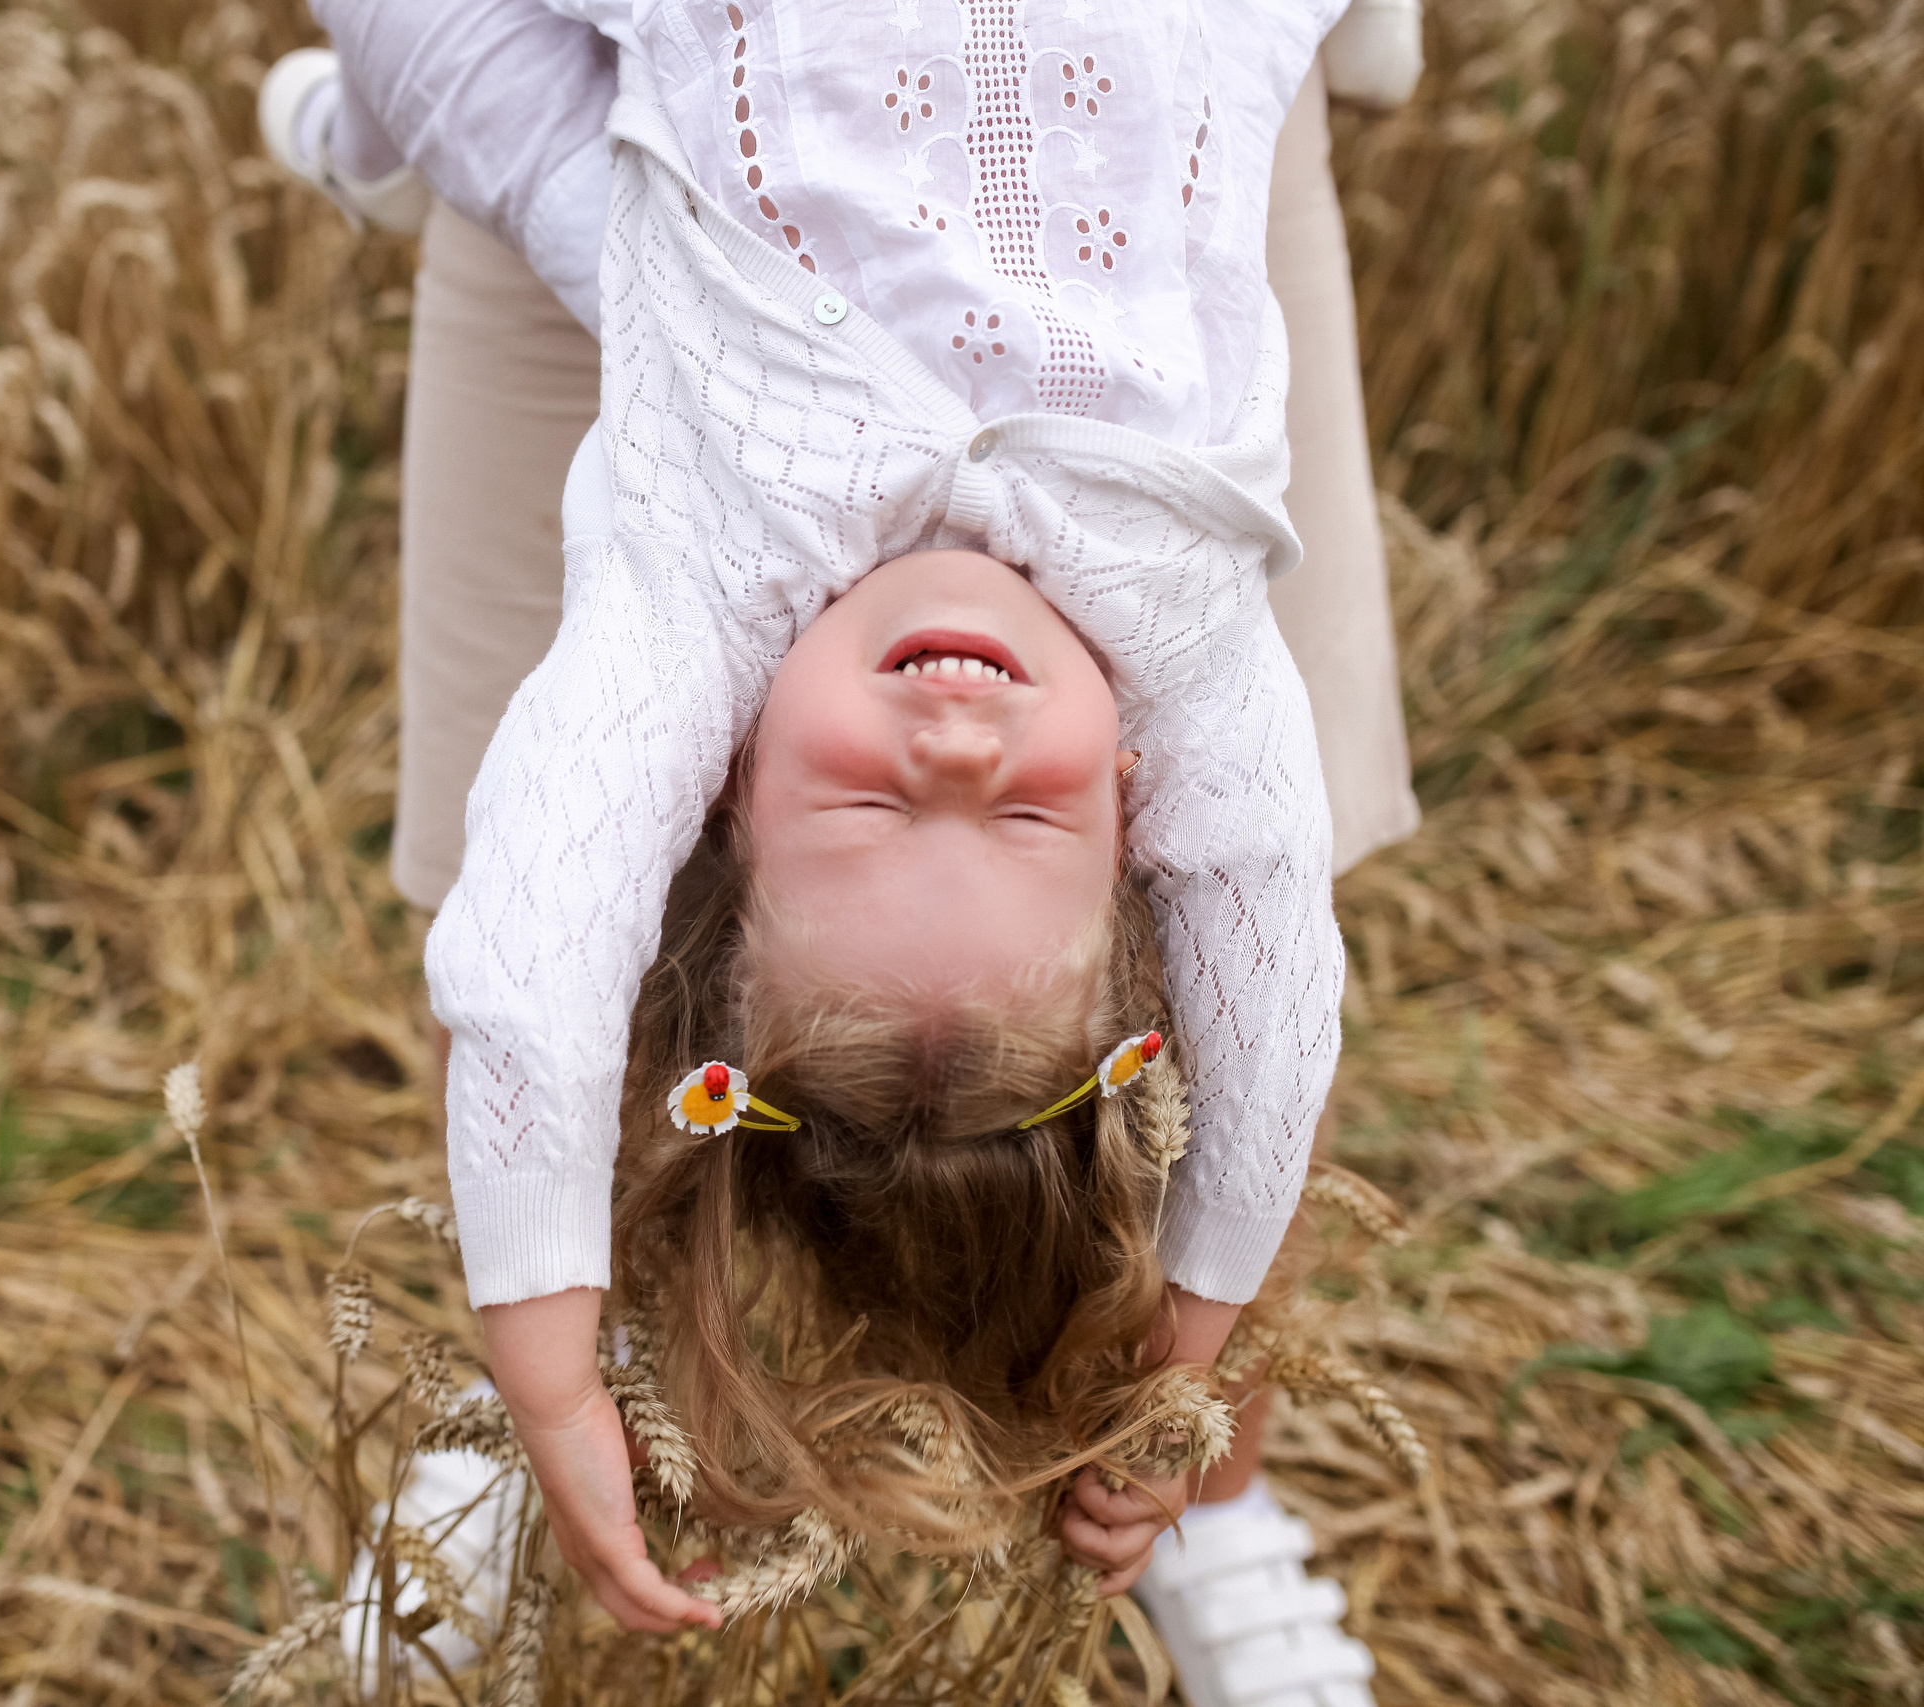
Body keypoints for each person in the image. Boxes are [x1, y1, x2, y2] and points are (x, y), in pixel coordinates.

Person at [265, 5, 1423, 1704]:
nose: (956, 750)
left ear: (722, 786)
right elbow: (1272, 994)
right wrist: (1185, 1349)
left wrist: (551, 1366)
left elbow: (530, 965)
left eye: (874, 811)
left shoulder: (692, 578)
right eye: (1027, 818)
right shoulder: (1179, 614)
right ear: (1138, 809)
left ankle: (370, 131)